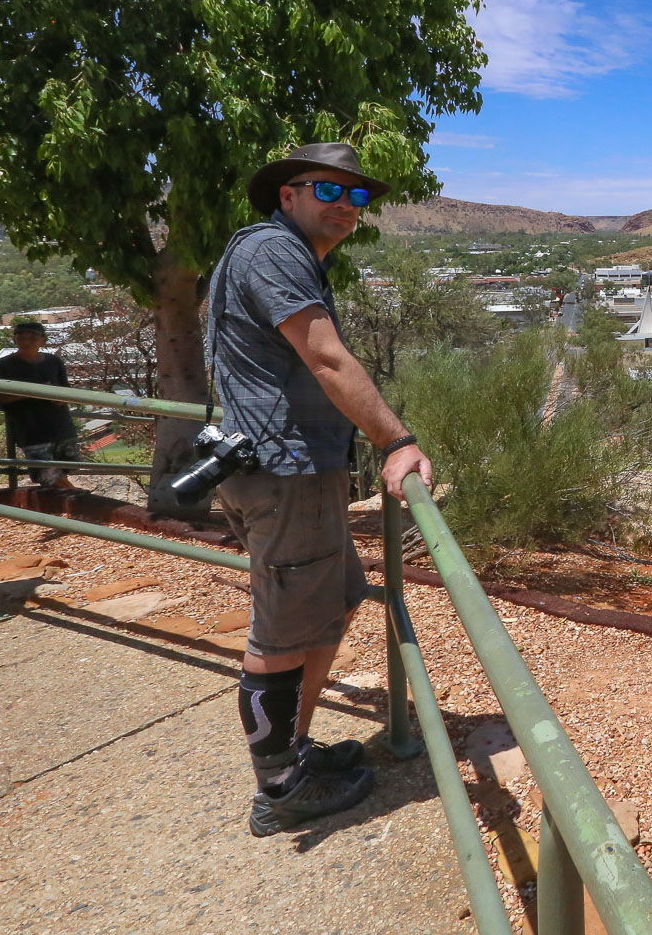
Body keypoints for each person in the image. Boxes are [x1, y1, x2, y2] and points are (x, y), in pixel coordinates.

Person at [208, 142, 432, 837]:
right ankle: (277, 789)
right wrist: (397, 441)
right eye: (327, 192)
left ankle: (294, 754)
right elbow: (327, 357)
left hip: (304, 470)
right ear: (288, 196)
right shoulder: (272, 252)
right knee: (279, 633)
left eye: (357, 197)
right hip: (283, 471)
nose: (345, 207)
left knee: (335, 599)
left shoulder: (291, 256)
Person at [0, 321, 81, 488]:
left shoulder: (54, 361)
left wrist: (59, 397)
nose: (27, 342)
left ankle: (60, 506)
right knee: (48, 476)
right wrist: (29, 392)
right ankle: (78, 500)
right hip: (30, 431)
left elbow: (67, 391)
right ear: (14, 340)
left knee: (67, 470)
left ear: (43, 340)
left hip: (61, 427)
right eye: (22, 338)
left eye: (32, 338)